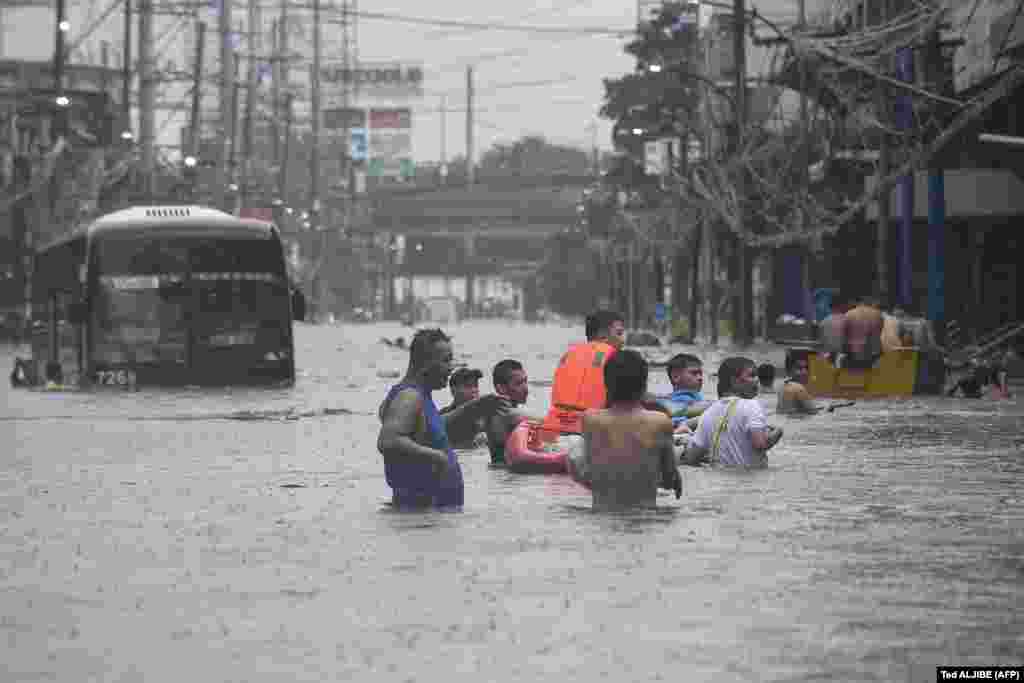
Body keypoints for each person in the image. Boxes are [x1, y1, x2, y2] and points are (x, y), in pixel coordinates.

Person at [377, 328, 510, 510]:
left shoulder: (418, 395)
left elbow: (431, 428)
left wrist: (474, 407)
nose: (451, 367)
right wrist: (437, 456)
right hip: (420, 515)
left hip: (429, 515)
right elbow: (389, 440)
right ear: (425, 363)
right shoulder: (409, 397)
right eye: (446, 360)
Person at [569, 349, 682, 509]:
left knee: (574, 449)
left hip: (601, 517)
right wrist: (674, 478)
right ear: (644, 385)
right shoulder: (660, 422)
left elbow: (582, 466)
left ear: (606, 384)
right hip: (646, 517)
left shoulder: (590, 419)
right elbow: (669, 478)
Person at [682, 357, 784, 468]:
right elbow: (760, 444)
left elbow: (691, 458)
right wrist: (778, 432)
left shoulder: (708, 413)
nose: (757, 380)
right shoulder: (751, 405)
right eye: (752, 375)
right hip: (751, 476)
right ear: (734, 381)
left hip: (717, 477)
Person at [542, 310, 626, 435]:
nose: (623, 340)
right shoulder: (615, 358)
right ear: (603, 335)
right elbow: (628, 402)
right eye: (619, 333)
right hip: (592, 430)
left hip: (555, 428)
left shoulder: (568, 355)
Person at [485, 359, 537, 465]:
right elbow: (547, 423)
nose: (525, 388)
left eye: (525, 381)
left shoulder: (494, 411)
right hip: (506, 472)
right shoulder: (504, 414)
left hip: (500, 471)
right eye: (518, 383)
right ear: (501, 388)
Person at [657, 353, 709, 431]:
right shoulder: (677, 401)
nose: (700, 378)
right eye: (694, 373)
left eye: (701, 374)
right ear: (675, 377)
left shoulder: (696, 397)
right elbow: (676, 422)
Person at [440, 367, 488, 449]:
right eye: (468, 386)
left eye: (476, 386)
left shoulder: (487, 415)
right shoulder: (442, 416)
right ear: (453, 390)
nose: (474, 390)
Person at [777, 350, 819, 415]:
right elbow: (814, 412)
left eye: (806, 368)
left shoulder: (782, 387)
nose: (804, 372)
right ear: (789, 370)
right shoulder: (799, 388)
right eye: (799, 368)